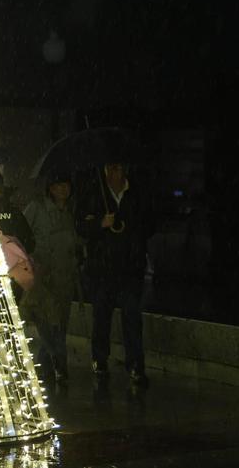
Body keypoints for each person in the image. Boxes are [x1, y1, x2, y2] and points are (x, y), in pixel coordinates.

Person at [77, 161, 153, 388]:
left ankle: (136, 365)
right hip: (102, 270)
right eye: (109, 169)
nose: (112, 174)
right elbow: (81, 226)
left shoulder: (136, 195)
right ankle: (100, 360)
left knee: (132, 317)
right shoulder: (95, 195)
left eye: (117, 169)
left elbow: (149, 224)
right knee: (101, 317)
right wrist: (100, 224)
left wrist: (130, 226)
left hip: (130, 269)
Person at [23, 173, 82, 385]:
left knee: (60, 325)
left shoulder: (71, 211)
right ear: (50, 188)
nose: (62, 190)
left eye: (66, 185)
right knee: (47, 324)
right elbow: (23, 234)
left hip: (65, 277)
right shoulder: (36, 208)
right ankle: (58, 364)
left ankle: (48, 368)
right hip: (43, 277)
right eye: (58, 185)